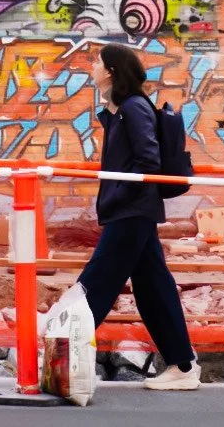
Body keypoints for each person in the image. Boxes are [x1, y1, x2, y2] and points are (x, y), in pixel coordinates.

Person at [75, 43, 199, 390]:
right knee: (153, 289)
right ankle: (183, 367)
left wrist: (119, 196)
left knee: (97, 284)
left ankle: (63, 358)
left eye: (96, 62)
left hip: (130, 212)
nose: (91, 67)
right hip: (132, 210)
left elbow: (148, 163)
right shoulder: (122, 110)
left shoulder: (134, 108)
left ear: (112, 71)